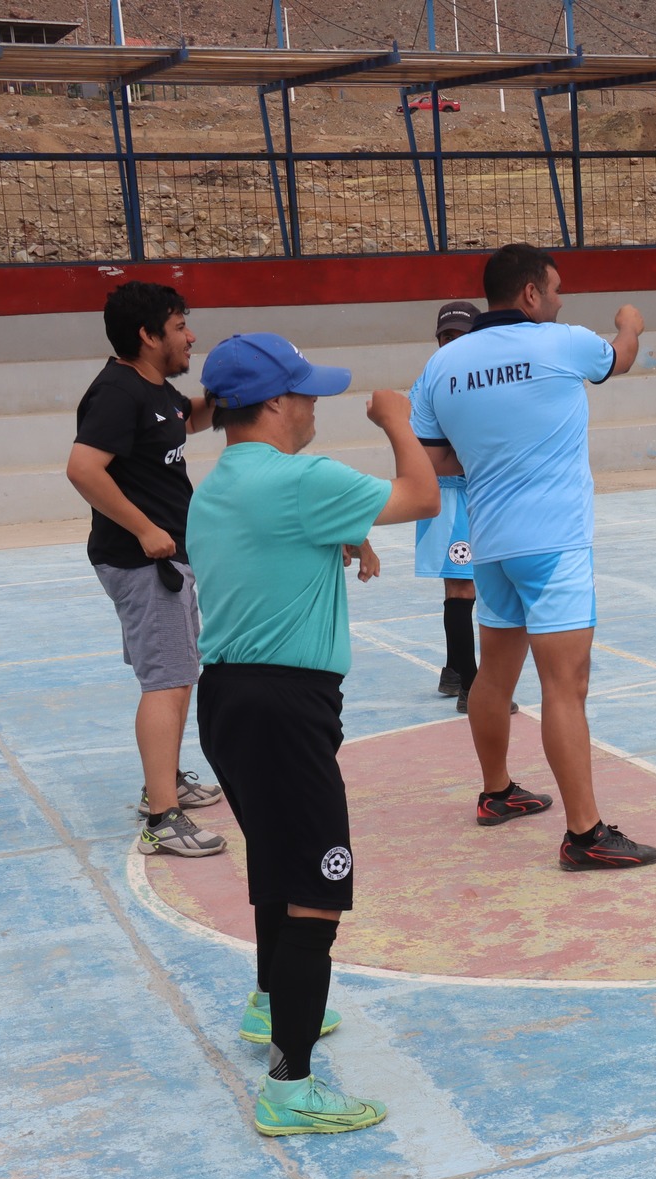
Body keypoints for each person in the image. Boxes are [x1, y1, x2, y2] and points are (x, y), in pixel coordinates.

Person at [185, 333, 439, 1136]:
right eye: (305, 393)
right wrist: (399, 421)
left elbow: (267, 546)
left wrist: (341, 533)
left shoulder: (222, 482)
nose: (315, 404)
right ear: (274, 405)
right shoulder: (299, 478)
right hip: (285, 705)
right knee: (318, 890)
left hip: (229, 698)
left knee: (276, 860)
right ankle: (291, 1083)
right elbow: (424, 495)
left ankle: (272, 1003)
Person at [410, 243, 656, 872]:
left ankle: (496, 794)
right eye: (554, 288)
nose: (559, 299)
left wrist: (495, 454)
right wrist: (630, 321)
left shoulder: (442, 367)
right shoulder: (562, 342)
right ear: (529, 294)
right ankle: (586, 834)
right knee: (565, 686)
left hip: (490, 545)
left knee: (494, 678)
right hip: (555, 545)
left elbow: (435, 462)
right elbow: (621, 358)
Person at [65, 280, 224, 857]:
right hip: (143, 560)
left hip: (164, 557)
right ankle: (162, 817)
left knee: (178, 671)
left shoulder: (156, 391)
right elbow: (83, 468)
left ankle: (166, 779)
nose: (191, 336)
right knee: (168, 679)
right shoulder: (117, 392)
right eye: (181, 326)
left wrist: (236, 392)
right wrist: (145, 529)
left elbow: (187, 420)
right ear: (147, 335)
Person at [414, 300, 483, 707]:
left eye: (463, 335)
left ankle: (455, 670)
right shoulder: (430, 382)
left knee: (464, 585)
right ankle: (473, 688)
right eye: (446, 336)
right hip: (451, 494)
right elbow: (423, 449)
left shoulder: (473, 378)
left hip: (470, 493)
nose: (453, 343)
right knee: (461, 586)